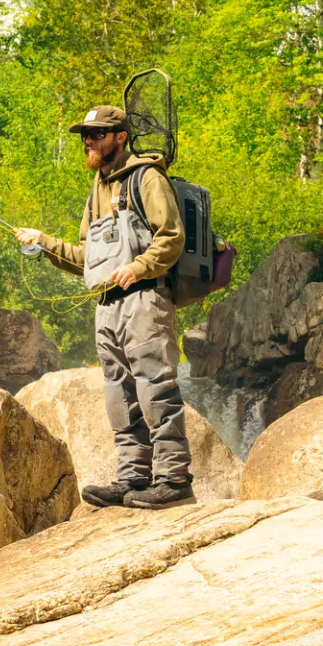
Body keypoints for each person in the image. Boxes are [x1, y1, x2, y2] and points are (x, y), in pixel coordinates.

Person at [15, 104, 193, 509]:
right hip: (107, 306)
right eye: (85, 136)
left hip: (146, 298)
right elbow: (86, 257)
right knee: (119, 393)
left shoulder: (147, 178)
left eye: (96, 134)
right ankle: (132, 478)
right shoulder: (97, 188)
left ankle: (174, 478)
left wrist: (139, 267)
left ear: (120, 137)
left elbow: (171, 237)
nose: (88, 142)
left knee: (155, 386)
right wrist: (42, 242)